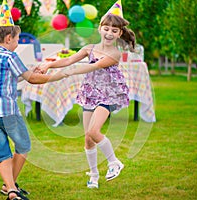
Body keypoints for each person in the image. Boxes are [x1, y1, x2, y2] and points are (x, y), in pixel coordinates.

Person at [0, 1, 66, 200]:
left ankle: (11, 189)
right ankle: (10, 187)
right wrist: (57, 76)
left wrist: (30, 71)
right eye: (17, 39)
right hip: (7, 112)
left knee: (1, 152)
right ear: (8, 38)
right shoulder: (10, 56)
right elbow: (31, 79)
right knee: (23, 145)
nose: (17, 43)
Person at [40, 11, 136, 189]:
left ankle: (114, 162)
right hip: (91, 94)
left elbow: (94, 66)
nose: (109, 33)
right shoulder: (89, 48)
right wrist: (49, 64)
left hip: (108, 94)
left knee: (94, 131)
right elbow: (68, 59)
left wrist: (70, 72)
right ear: (100, 28)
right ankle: (93, 175)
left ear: (120, 34)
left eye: (114, 30)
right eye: (106, 28)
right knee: (88, 138)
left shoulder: (114, 53)